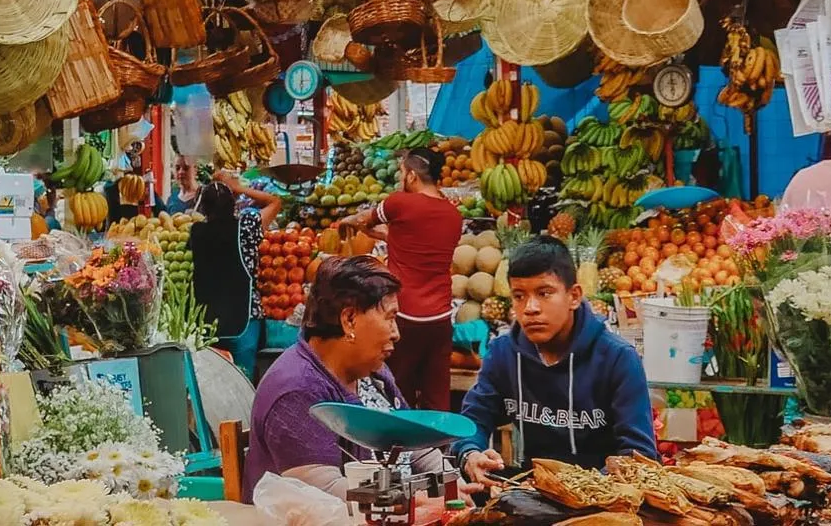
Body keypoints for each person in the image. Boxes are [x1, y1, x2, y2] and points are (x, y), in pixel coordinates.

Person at [454, 237, 658, 485]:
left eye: (544, 293)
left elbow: (639, 454)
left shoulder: (617, 358)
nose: (530, 308)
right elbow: (472, 420)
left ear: (574, 296)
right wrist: (470, 454)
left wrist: (580, 488)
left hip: (604, 497)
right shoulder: (503, 353)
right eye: (519, 296)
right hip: (534, 489)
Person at [241, 256, 447, 499]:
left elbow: (412, 443)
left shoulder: (373, 373)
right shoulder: (296, 390)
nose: (396, 333)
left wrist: (452, 478)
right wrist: (410, 499)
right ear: (349, 319)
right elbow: (323, 493)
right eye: (390, 318)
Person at [338, 147, 464, 411]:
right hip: (440, 318)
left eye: (401, 172)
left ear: (411, 176)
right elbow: (422, 244)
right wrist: (390, 237)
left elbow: (364, 220)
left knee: (398, 391)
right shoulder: (453, 215)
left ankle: (402, 450)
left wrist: (350, 221)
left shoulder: (399, 203)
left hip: (403, 316)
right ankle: (438, 451)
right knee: (436, 397)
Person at [188, 170, 281, 380]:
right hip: (244, 319)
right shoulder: (247, 228)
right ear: (234, 204)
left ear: (203, 208)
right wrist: (238, 188)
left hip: (207, 322)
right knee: (242, 383)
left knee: (213, 386)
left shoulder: (195, 231)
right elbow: (275, 202)